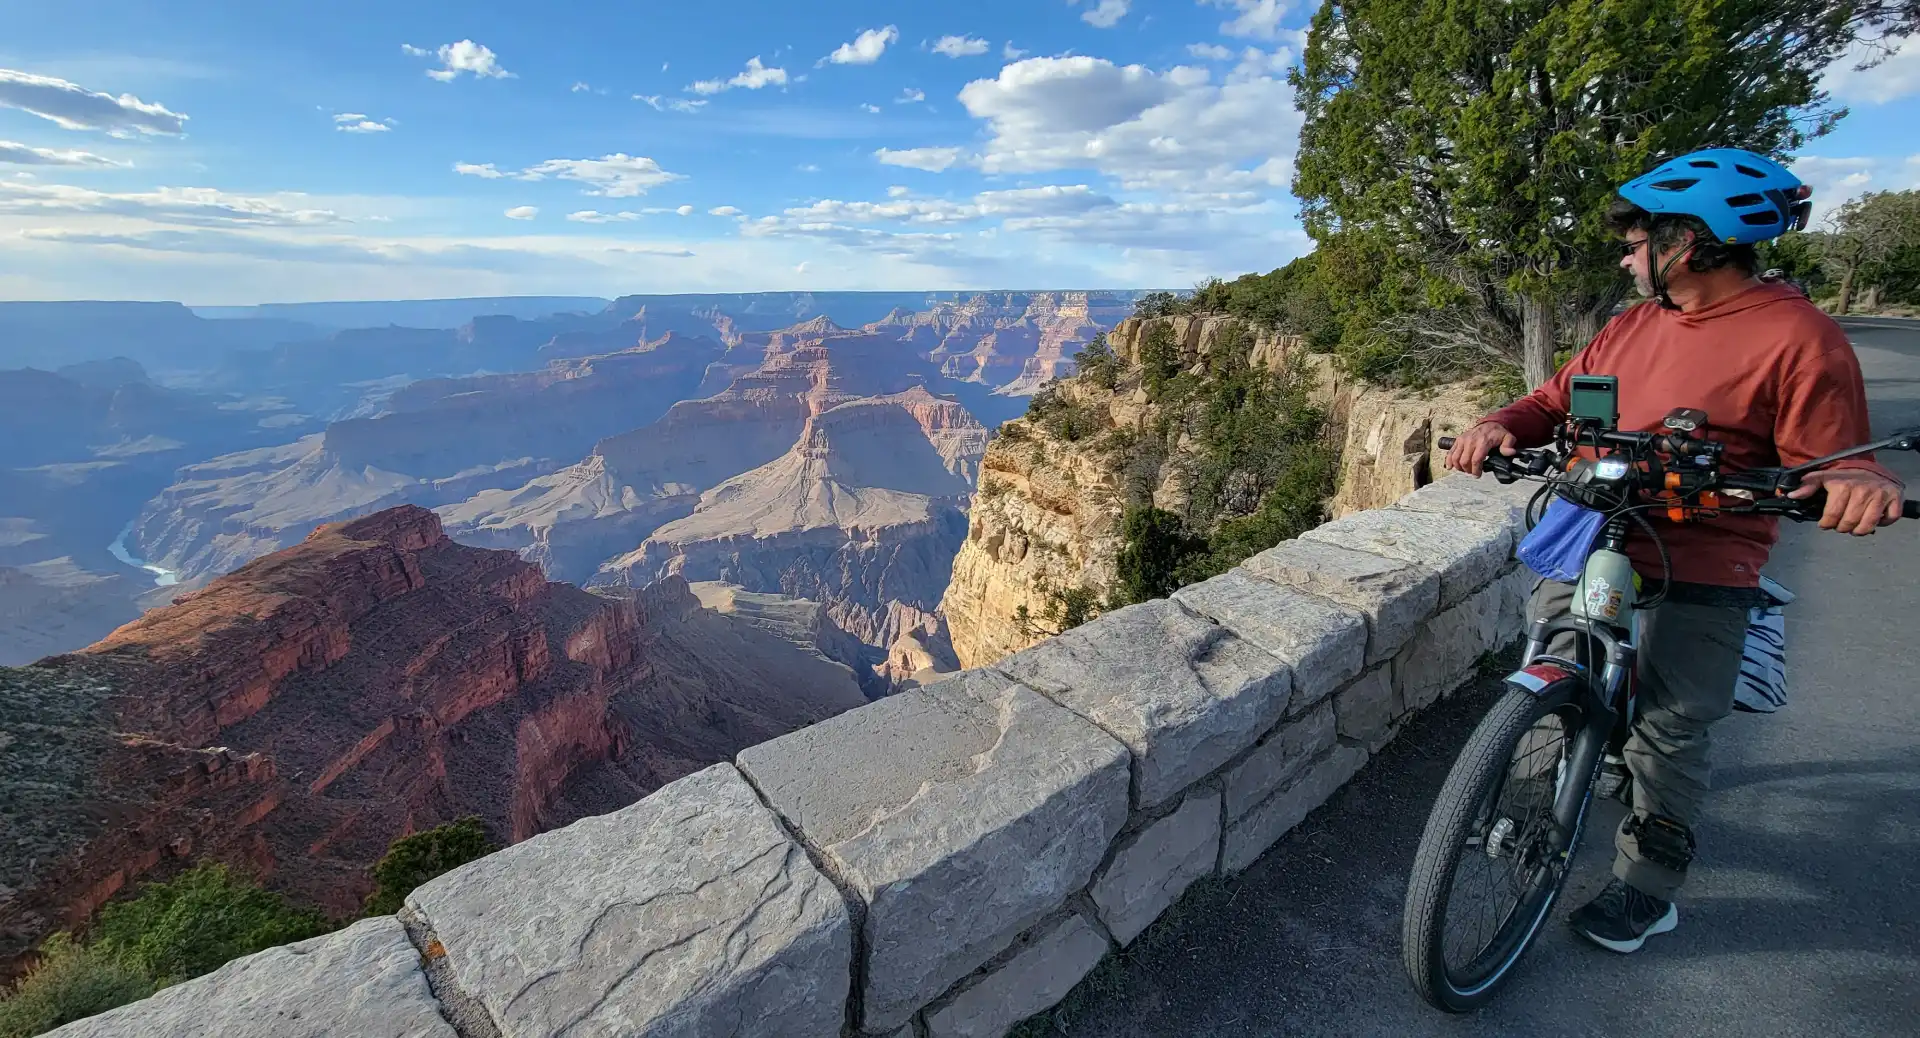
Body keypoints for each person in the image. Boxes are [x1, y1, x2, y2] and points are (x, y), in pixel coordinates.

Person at [1443, 148, 1906, 954]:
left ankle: (1646, 890)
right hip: (1598, 530)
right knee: (1553, 663)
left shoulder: (1800, 338)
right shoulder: (1635, 323)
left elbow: (1836, 460)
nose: (1626, 254)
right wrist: (1502, 423)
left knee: (1669, 728)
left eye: (1637, 238)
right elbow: (1556, 398)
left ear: (1688, 243)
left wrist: (1858, 482)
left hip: (1704, 554)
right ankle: (1533, 795)